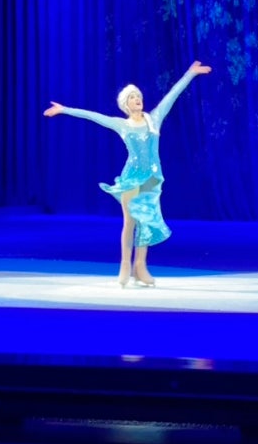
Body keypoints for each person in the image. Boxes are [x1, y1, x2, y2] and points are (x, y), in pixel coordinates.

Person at [43, 60, 212, 287]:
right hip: (131, 178)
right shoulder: (121, 124)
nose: (137, 99)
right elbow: (93, 116)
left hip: (152, 180)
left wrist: (190, 73)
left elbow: (173, 94)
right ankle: (124, 265)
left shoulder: (154, 119)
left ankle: (140, 267)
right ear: (126, 104)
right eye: (132, 97)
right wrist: (64, 109)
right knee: (130, 222)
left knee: (146, 222)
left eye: (139, 96)